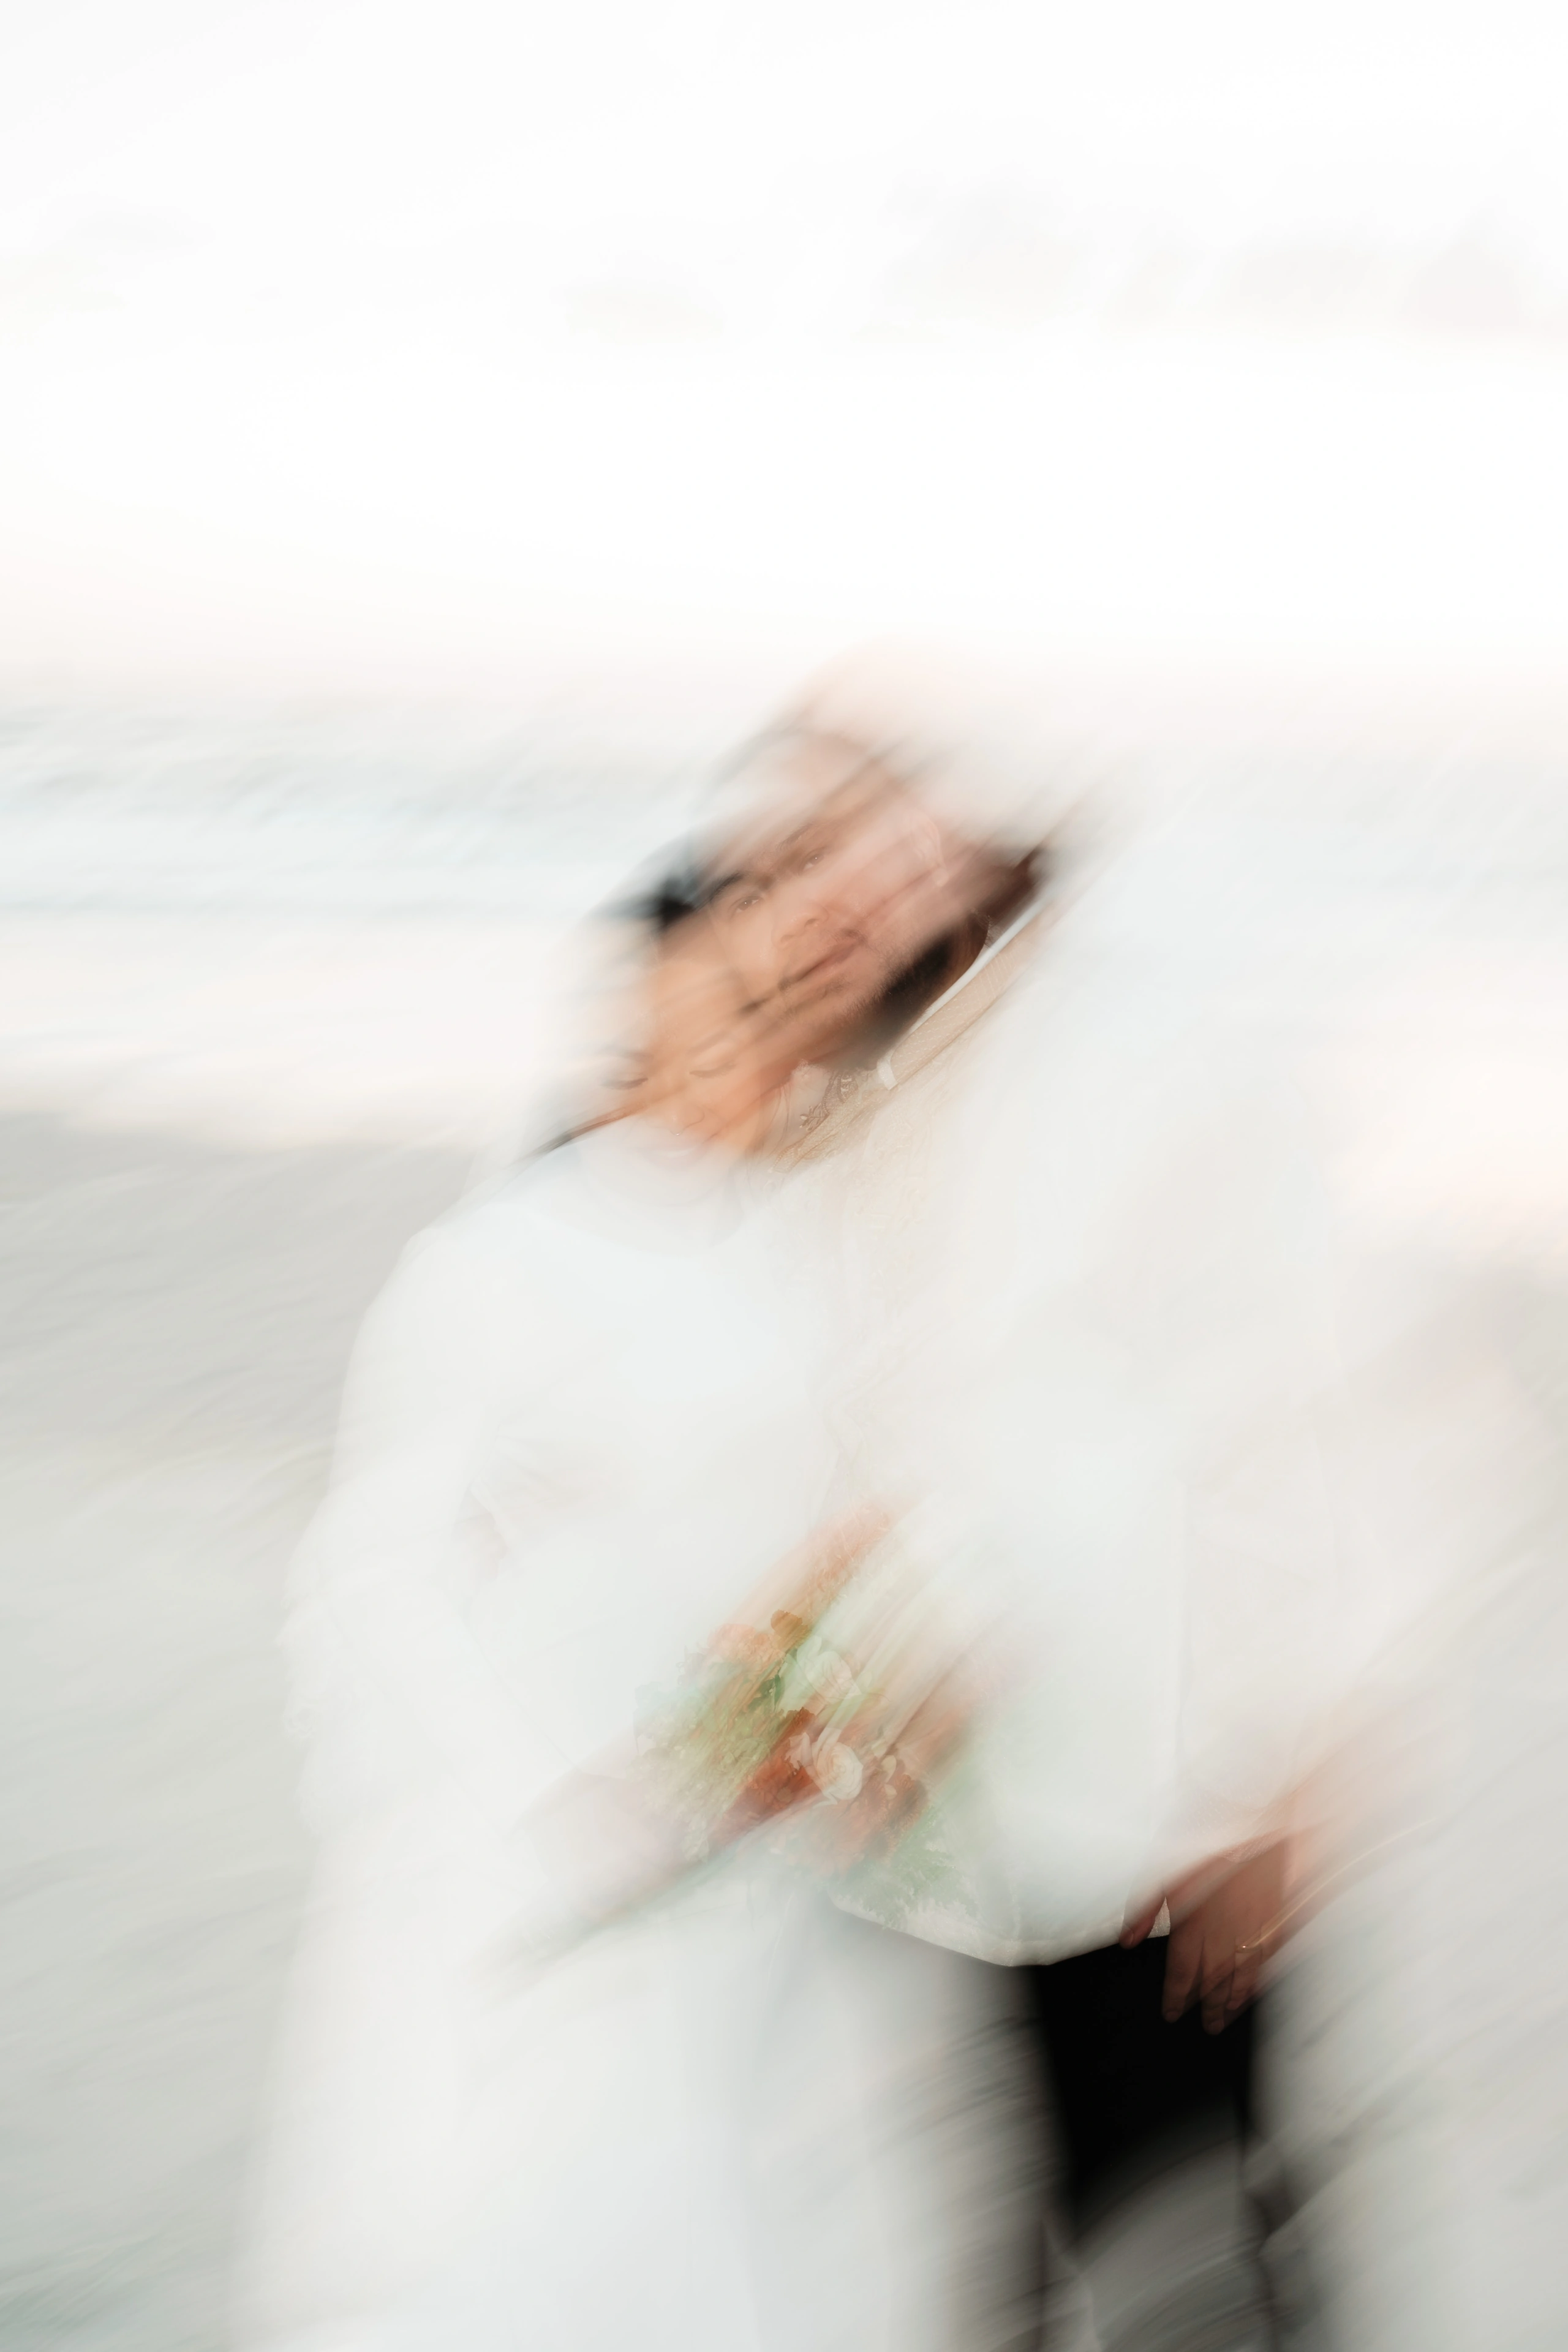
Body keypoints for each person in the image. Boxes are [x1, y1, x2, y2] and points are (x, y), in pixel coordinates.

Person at [238, 888, 1043, 2352]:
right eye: (713, 1014)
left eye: (768, 1016)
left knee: (763, 2217)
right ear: (631, 1024)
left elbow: (886, 1497)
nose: (745, 1051)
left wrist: (850, 1701)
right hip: (560, 1811)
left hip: (759, 1818)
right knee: (545, 2218)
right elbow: (370, 1580)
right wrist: (546, 1790)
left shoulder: (812, 1244)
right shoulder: (494, 1264)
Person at [679, 655, 1351, 2347]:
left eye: (867, 831)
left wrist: (1282, 1780)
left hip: (1169, 1806)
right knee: (1018, 2252)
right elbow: (884, 1433)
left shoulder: (1145, 1044)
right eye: (793, 859)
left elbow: (1298, 1413)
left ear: (967, 835)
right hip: (957, 1809)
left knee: (1198, 2242)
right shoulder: (872, 1078)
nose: (840, 885)